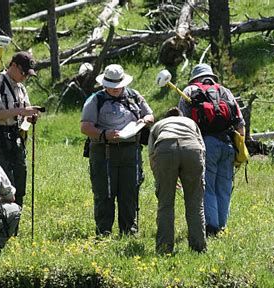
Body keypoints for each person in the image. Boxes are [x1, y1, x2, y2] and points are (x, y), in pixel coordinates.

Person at [80, 64, 154, 236]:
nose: (114, 90)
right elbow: (85, 127)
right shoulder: (95, 100)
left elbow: (150, 115)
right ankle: (103, 232)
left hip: (131, 152)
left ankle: (129, 232)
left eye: (118, 86)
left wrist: (143, 121)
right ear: (105, 84)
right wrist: (104, 134)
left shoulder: (134, 96)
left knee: (130, 192)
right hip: (103, 152)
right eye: (111, 86)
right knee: (104, 193)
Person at [178, 63, 245, 236]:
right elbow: (240, 122)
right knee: (224, 187)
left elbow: (183, 123)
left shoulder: (189, 92)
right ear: (211, 77)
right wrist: (240, 148)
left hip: (206, 144)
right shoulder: (225, 91)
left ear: (194, 78)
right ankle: (222, 226)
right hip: (228, 144)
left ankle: (212, 227)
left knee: (207, 187)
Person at [0, 51, 41, 207]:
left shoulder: (21, 88)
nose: (25, 77)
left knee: (20, 181)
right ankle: (0, 225)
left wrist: (30, 116)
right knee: (2, 182)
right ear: (13, 65)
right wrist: (21, 111)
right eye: (23, 73)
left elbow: (24, 112)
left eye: (28, 75)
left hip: (17, 139)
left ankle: (15, 222)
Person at [149, 107, 206, 254]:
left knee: (165, 204)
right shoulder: (190, 122)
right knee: (195, 204)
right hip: (192, 149)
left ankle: (164, 249)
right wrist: (200, 179)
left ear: (166, 117)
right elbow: (202, 149)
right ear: (181, 116)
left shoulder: (158, 125)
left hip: (165, 148)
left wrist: (162, 180)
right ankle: (198, 248)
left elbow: (152, 156)